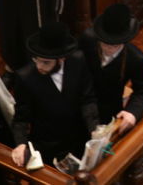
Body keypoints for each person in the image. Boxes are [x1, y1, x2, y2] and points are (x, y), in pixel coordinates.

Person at [8, 22, 99, 167]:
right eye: (36, 59)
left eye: (45, 62)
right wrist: (21, 144)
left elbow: (87, 99)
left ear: (61, 59)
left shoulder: (78, 61)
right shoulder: (25, 78)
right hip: (48, 147)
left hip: (79, 140)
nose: (39, 66)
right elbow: (21, 118)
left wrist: (94, 129)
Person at [78, 4, 143, 133]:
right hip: (79, 102)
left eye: (115, 45)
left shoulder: (136, 59)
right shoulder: (87, 39)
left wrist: (132, 112)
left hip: (108, 110)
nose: (109, 49)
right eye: (105, 43)